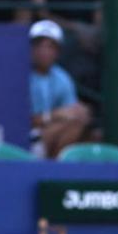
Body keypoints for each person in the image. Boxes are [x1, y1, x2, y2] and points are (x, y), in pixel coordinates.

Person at [28, 19, 91, 159]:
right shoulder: (19, 74)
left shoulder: (62, 78)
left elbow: (71, 114)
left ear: (57, 52)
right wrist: (54, 115)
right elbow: (19, 120)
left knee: (77, 122)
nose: (44, 51)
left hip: (48, 135)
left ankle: (54, 171)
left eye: (50, 47)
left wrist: (78, 113)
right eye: (39, 46)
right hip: (22, 136)